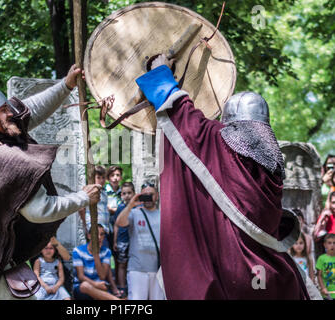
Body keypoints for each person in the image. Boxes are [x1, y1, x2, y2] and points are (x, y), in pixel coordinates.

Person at [134, 54, 310, 299]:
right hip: (270, 277)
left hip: (230, 275)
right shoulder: (272, 160)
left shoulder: (221, 145)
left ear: (229, 125)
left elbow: (186, 120)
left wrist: (161, 71)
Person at [0, 64, 102, 300]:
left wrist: (66, 85)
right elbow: (40, 210)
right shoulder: (5, 161)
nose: (10, 113)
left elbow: (28, 111)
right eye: (3, 110)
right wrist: (83, 197)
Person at [115, 182, 164, 300]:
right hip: (137, 269)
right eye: (144, 195)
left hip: (158, 269)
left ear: (156, 196)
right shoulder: (134, 213)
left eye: (150, 194)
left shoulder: (162, 215)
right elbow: (120, 222)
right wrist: (130, 205)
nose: (148, 197)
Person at [72, 224, 122, 300]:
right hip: (83, 287)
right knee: (85, 286)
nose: (99, 237)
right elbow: (81, 277)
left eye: (102, 234)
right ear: (89, 236)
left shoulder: (106, 252)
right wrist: (96, 284)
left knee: (103, 288)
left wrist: (96, 254)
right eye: (96, 234)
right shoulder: (78, 251)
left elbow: (102, 276)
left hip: (100, 285)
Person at [112, 182, 135, 294]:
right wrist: (115, 241)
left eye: (129, 193)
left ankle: (133, 287)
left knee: (133, 265)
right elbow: (116, 225)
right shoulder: (120, 207)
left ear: (134, 193)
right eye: (124, 193)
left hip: (135, 241)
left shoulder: (137, 207)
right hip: (122, 240)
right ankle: (122, 287)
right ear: (121, 195)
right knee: (122, 264)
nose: (126, 195)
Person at [315, 233, 335, 299]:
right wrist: (323, 288)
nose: (332, 245)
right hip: (327, 294)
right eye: (329, 243)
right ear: (325, 245)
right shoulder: (321, 258)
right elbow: (319, 275)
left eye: (334, 243)